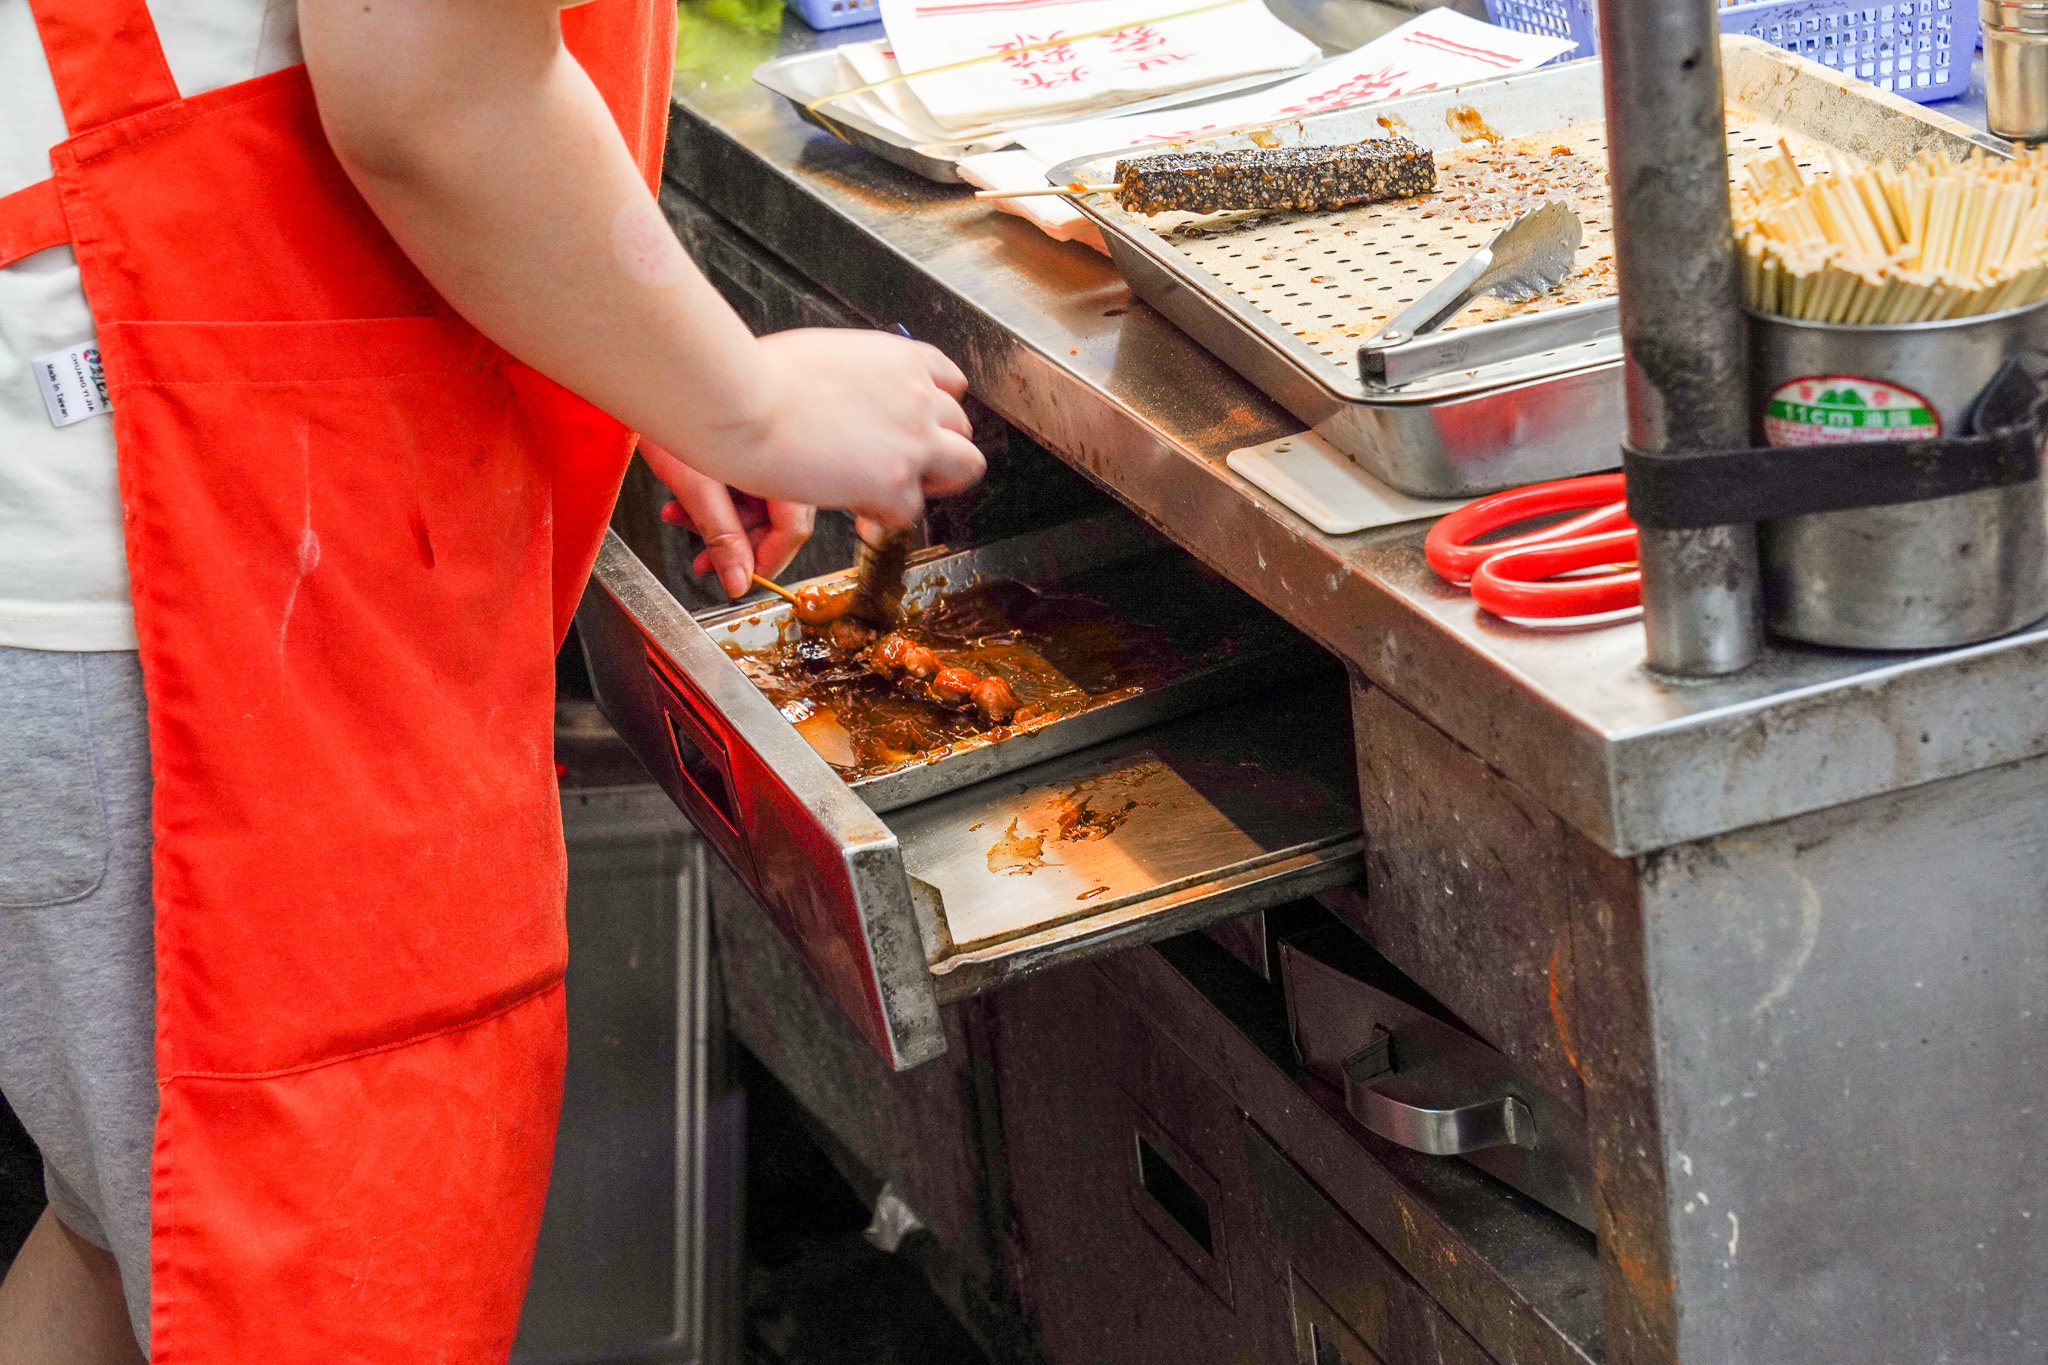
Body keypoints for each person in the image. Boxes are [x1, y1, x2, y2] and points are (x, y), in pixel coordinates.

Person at [0, 1, 984, 1361]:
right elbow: (429, 97)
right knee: (290, 1303)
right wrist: (737, 396)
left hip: (112, 542)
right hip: (202, 598)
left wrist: (635, 343)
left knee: (125, 1249)